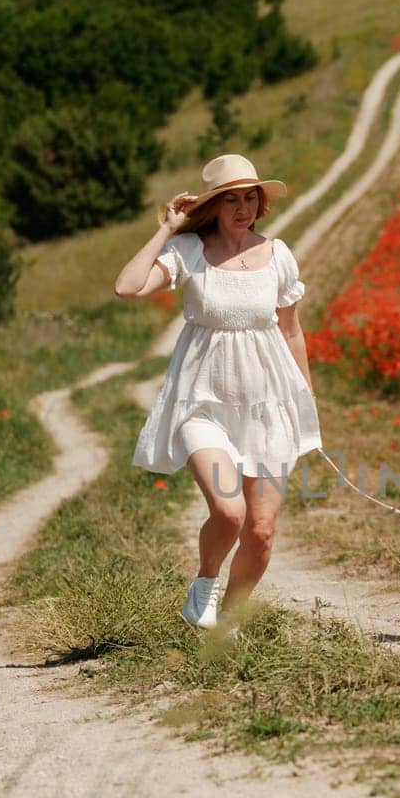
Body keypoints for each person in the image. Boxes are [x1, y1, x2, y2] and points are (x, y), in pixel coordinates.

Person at [113, 154, 321, 629]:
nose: (243, 207)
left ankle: (226, 629)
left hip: (268, 407)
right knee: (229, 512)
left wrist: (303, 403)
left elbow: (291, 333)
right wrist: (167, 229)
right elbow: (127, 288)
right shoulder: (188, 250)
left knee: (262, 531)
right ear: (212, 205)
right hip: (201, 404)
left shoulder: (278, 256)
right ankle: (205, 584)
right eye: (231, 199)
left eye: (251, 197)